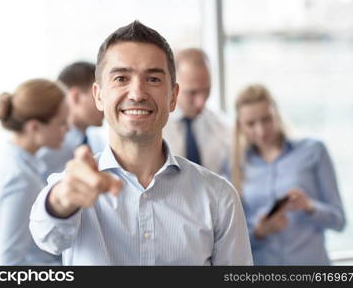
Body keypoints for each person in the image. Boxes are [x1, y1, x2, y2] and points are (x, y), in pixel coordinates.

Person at [29, 21, 252, 265]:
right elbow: (47, 236)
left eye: (153, 79)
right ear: (99, 96)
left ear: (173, 97)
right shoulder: (72, 187)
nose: (137, 93)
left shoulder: (219, 197)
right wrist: (61, 201)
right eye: (121, 78)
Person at [227, 84, 346, 265]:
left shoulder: (313, 151)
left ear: (277, 115)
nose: (260, 130)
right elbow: (229, 241)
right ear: (240, 125)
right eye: (251, 124)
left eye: (266, 119)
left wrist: (309, 207)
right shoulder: (233, 166)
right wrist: (260, 232)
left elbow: (339, 220)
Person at [0, 79, 69, 265]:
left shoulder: (9, 158)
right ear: (34, 127)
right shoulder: (21, 178)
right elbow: (8, 261)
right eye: (62, 123)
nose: (67, 129)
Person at [163, 48, 231, 174]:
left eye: (206, 90)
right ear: (172, 86)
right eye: (192, 92)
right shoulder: (155, 127)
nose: (201, 102)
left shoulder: (223, 126)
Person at [37, 61, 106, 181]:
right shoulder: (47, 148)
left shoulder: (97, 143)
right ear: (76, 96)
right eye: (98, 95)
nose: (105, 102)